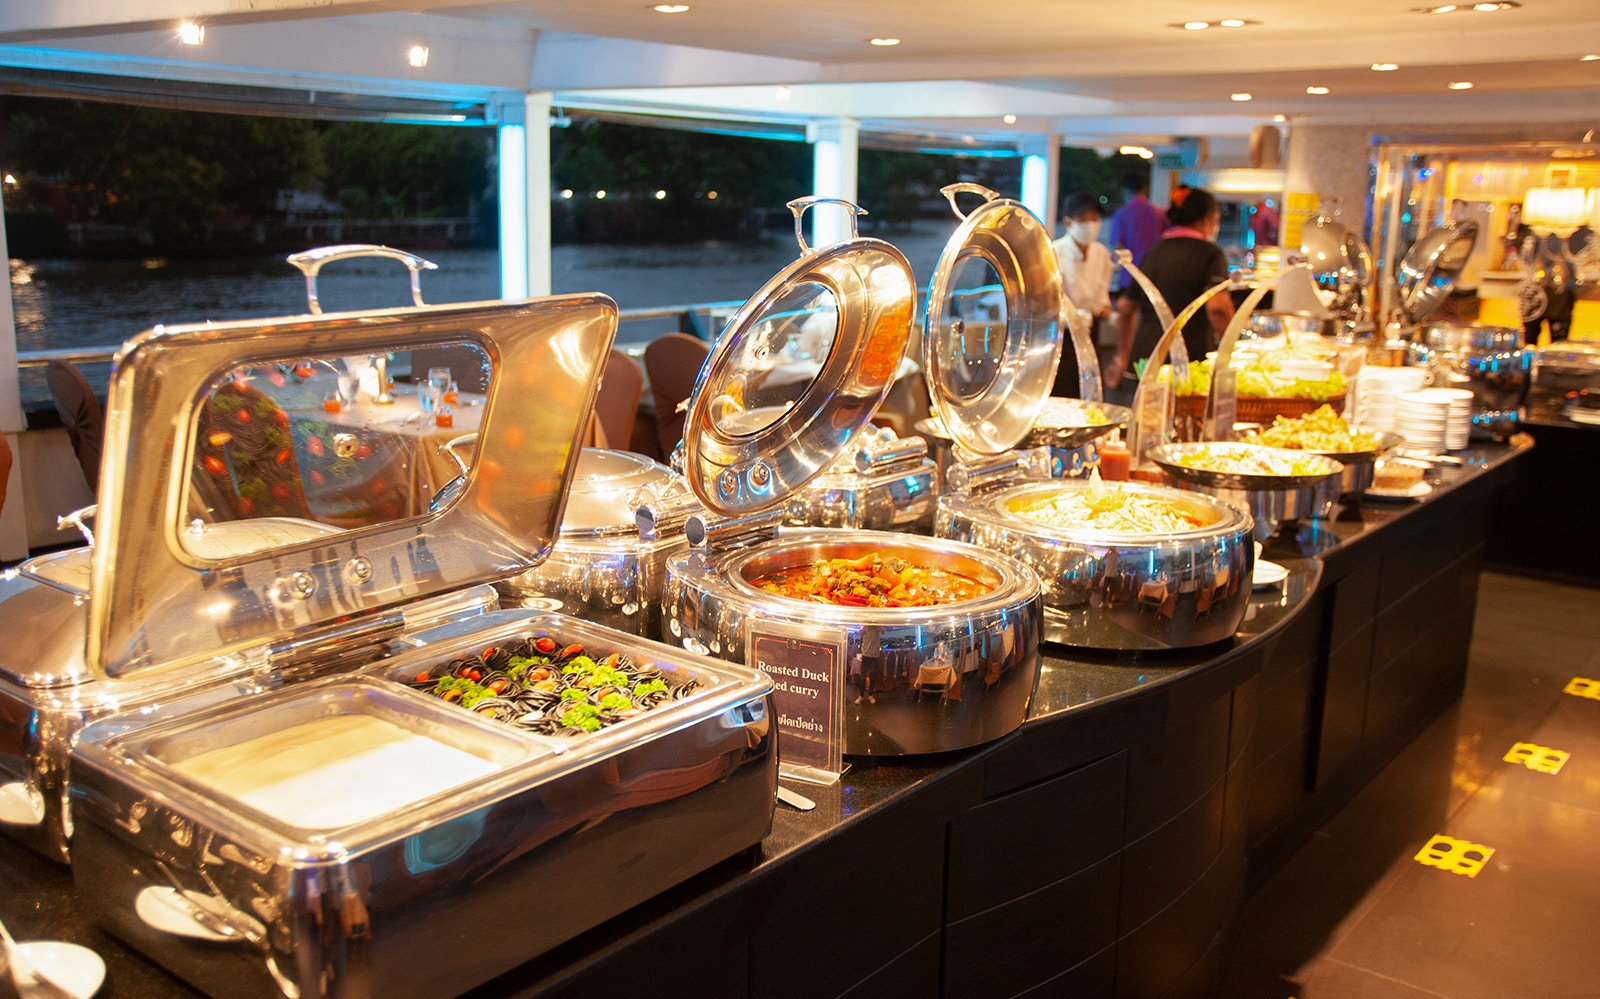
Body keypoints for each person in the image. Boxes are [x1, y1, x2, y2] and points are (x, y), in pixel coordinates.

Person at [1108, 186, 1234, 402]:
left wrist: (1122, 356)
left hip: (1145, 361)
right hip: (1188, 362)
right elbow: (1218, 308)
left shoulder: (1154, 251)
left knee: (1144, 429)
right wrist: (1229, 352)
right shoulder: (1211, 254)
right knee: (1183, 430)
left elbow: (1125, 307)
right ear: (1208, 218)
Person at [1051, 193, 1115, 396]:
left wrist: (1115, 317)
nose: (1090, 224)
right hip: (1061, 334)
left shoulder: (1101, 254)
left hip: (1091, 330)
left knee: (1089, 387)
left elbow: (1101, 301)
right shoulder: (1053, 252)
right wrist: (1072, 316)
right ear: (1068, 222)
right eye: (1083, 219)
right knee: (1063, 388)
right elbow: (1046, 302)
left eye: (1094, 219)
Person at [1108, 173, 1167, 281]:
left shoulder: (1120, 214)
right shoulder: (1160, 212)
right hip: (1155, 275)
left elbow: (1118, 247)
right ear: (1145, 189)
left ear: (1124, 190)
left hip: (1130, 277)